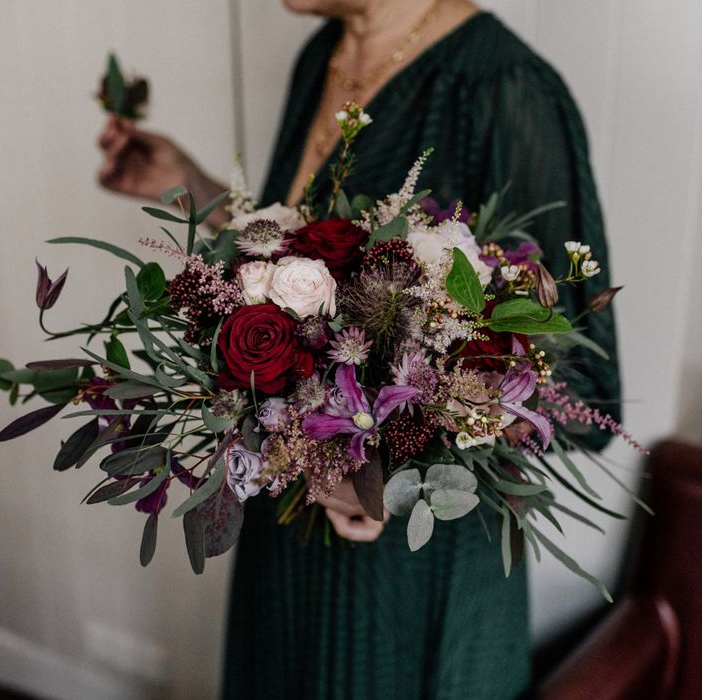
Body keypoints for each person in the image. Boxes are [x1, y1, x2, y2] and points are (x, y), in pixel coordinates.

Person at [98, 1, 621, 697]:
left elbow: (582, 389)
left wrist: (385, 465)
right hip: (288, 525)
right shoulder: (324, 54)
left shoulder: (508, 91)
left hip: (410, 573)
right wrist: (190, 187)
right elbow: (303, 259)